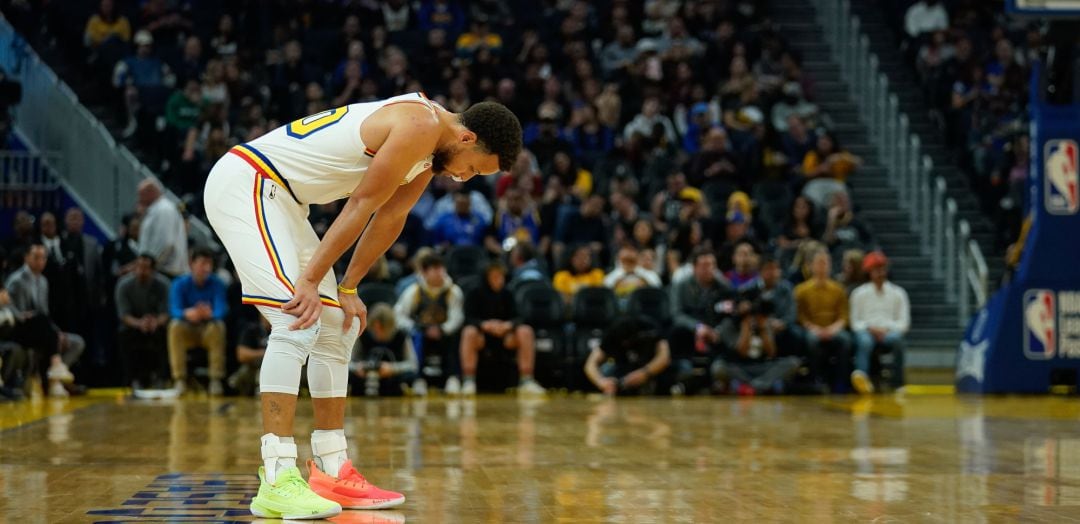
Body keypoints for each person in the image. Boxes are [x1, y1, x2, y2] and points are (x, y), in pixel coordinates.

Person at [203, 90, 521, 517]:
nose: (463, 178)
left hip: (286, 203)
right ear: (466, 139)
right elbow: (362, 204)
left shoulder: (430, 151)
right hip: (250, 182)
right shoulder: (419, 125)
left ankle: (331, 469)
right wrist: (313, 280)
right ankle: (276, 477)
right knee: (296, 317)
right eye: (472, 169)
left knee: (336, 325)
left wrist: (348, 288)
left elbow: (390, 217)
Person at [4, 244, 85, 397]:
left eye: (43, 258)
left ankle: (55, 380)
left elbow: (45, 314)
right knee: (40, 321)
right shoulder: (17, 280)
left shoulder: (43, 281)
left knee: (76, 342)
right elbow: (19, 316)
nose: (40, 261)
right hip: (19, 329)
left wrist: (56, 332)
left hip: (40, 329)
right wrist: (48, 329)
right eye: (36, 257)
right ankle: (55, 368)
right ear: (26, 257)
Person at [457, 262, 546, 396]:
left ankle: (527, 381)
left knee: (525, 331)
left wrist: (508, 325)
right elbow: (467, 318)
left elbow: (519, 317)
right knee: (469, 332)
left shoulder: (508, 293)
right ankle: (469, 381)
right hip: (482, 336)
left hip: (505, 336)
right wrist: (484, 324)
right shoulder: (474, 293)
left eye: (501, 277)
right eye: (495, 277)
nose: (500, 280)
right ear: (486, 278)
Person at [393, 252, 465, 395]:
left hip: (445, 333)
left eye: (441, 268)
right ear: (425, 272)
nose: (440, 273)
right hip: (421, 331)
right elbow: (399, 315)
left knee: (456, 337)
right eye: (435, 269)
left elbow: (457, 317)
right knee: (415, 338)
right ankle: (418, 379)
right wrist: (415, 327)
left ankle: (453, 378)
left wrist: (443, 329)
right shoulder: (414, 291)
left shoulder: (453, 291)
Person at [167, 248, 228, 396]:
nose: (207, 268)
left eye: (209, 264)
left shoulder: (217, 284)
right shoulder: (179, 284)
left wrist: (210, 314)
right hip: (188, 328)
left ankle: (215, 379)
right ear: (191, 264)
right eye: (202, 263)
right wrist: (188, 313)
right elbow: (174, 309)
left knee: (218, 326)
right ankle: (179, 379)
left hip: (207, 329)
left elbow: (222, 309)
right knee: (174, 327)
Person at [849, 252, 910, 393]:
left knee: (898, 340)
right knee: (864, 342)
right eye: (876, 270)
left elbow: (904, 323)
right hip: (866, 331)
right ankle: (861, 377)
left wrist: (886, 330)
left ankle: (898, 383)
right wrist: (870, 329)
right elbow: (855, 322)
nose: (880, 273)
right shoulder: (858, 293)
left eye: (882, 269)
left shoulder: (898, 293)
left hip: (889, 332)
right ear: (869, 272)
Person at [794, 250, 852, 392]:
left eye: (825, 263)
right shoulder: (801, 290)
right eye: (819, 263)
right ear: (811, 266)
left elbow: (844, 316)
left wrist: (833, 329)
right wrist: (814, 329)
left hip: (833, 329)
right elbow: (800, 316)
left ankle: (842, 381)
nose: (822, 266)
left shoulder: (838, 289)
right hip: (812, 329)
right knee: (811, 341)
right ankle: (815, 379)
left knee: (846, 340)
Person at [115, 254, 171, 394]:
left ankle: (161, 377)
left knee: (167, 333)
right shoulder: (124, 285)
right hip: (133, 324)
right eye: (138, 267)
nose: (140, 271)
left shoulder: (164, 285)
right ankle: (132, 379)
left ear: (153, 271)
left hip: (156, 325)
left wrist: (155, 322)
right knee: (123, 334)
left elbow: (167, 312)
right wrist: (139, 323)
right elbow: (124, 315)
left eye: (145, 268)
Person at [584, 315, 671, 396]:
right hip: (624, 371)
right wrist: (602, 382)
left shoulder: (648, 327)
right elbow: (590, 364)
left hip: (650, 368)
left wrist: (645, 373)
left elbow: (665, 357)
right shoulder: (612, 334)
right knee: (606, 371)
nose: (626, 344)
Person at [350, 304, 418, 397]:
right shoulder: (363, 334)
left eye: (382, 329)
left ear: (391, 327)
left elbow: (413, 365)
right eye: (374, 329)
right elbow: (347, 362)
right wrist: (358, 367)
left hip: (392, 379)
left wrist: (393, 369)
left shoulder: (401, 336)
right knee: (347, 375)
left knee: (411, 377)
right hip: (366, 377)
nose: (378, 332)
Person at [137, 178, 188, 278]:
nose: (139, 199)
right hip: (158, 269)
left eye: (141, 195)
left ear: (151, 192)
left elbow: (166, 243)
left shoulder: (164, 210)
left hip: (166, 272)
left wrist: (149, 265)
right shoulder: (158, 209)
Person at [230, 315, 270, 397]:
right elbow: (241, 355)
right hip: (255, 368)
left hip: (276, 370)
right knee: (244, 371)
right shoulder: (252, 329)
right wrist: (265, 353)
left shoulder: (285, 330)